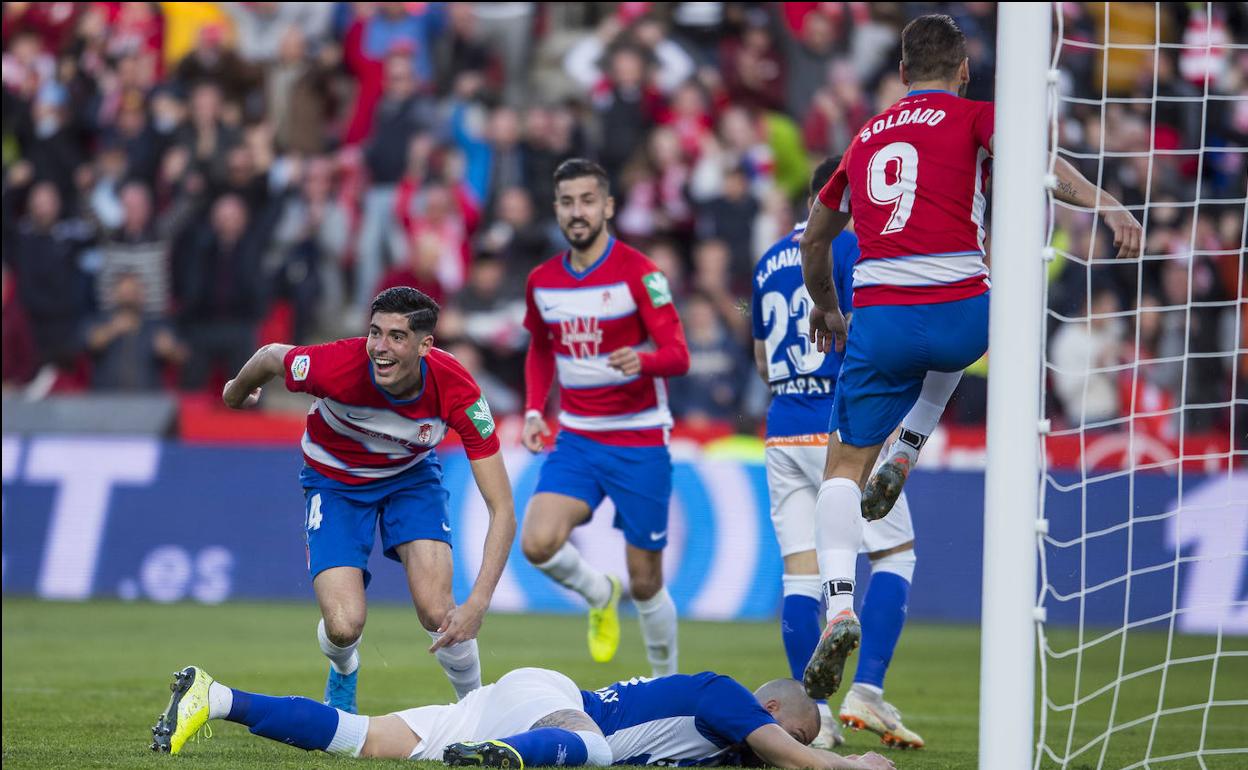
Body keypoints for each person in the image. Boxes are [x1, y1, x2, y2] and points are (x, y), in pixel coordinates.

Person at [797, 14, 1143, 700]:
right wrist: (1104, 200)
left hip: (884, 318)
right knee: (986, 307)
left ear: (900, 74)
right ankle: (912, 445)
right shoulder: (977, 116)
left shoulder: (864, 138)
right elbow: (1042, 166)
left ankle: (838, 607)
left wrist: (829, 309)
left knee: (840, 470)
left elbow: (814, 241)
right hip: (965, 313)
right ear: (962, 70)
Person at [220, 287, 516, 713]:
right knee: (343, 626)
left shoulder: (459, 392)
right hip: (334, 482)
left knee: (439, 610)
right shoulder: (336, 364)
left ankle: (477, 710)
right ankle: (343, 668)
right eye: (375, 333)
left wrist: (479, 602)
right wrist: (235, 392)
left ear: (425, 345)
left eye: (396, 337)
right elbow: (269, 356)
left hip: (410, 480)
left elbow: (502, 508)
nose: (379, 348)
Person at [752, 159, 933, 750]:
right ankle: (868, 692)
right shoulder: (857, 249)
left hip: (782, 427)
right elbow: (876, 334)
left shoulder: (768, 261)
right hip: (843, 426)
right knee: (895, 555)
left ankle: (819, 719)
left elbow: (760, 358)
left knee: (801, 571)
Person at [520, 159, 690, 676]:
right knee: (537, 542)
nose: (578, 212)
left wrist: (644, 359)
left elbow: (679, 354)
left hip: (639, 439)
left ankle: (667, 684)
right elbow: (541, 350)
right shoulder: (542, 281)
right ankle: (598, 592)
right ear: (556, 209)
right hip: (577, 437)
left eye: (587, 200)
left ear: (608, 206)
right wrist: (533, 409)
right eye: (567, 202)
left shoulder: (640, 273)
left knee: (646, 581)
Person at [150, 664, 894, 770]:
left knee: (366, 738)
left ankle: (214, 698)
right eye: (787, 733)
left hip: (509, 704)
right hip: (549, 704)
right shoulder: (730, 696)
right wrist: (850, 763)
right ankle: (504, 756)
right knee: (590, 751)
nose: (781, 756)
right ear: (769, 711)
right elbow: (795, 755)